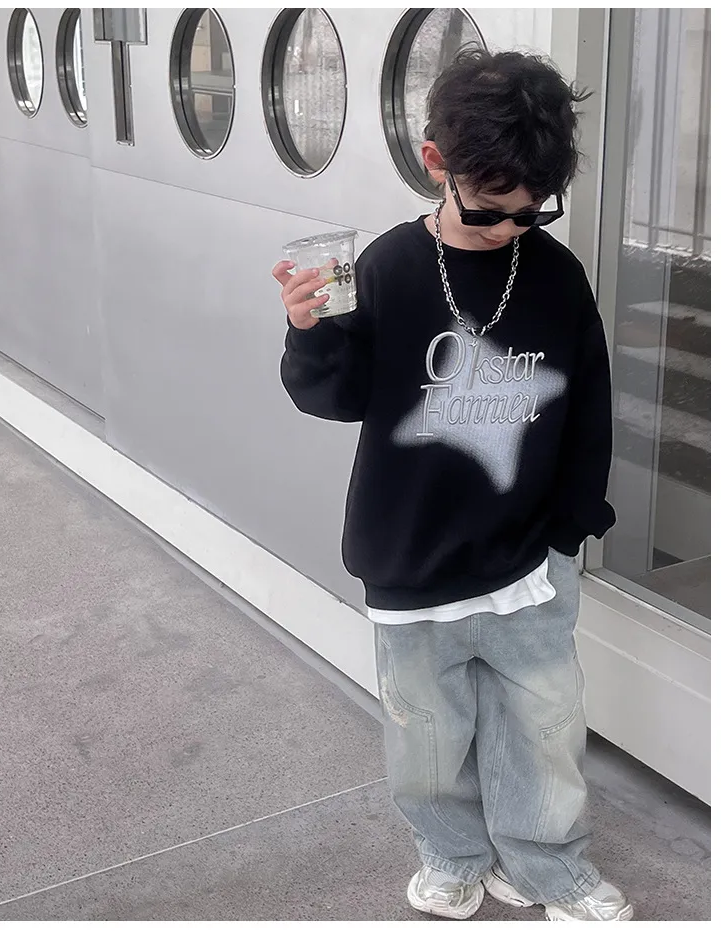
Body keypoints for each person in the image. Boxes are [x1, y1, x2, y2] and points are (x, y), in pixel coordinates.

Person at [272, 47, 632, 922]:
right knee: (427, 739)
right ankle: (451, 854)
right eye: (491, 209)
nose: (511, 229)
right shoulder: (388, 268)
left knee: (545, 729)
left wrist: (573, 525)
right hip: (410, 560)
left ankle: (546, 865)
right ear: (436, 163)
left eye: (532, 213)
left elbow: (588, 403)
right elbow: (337, 398)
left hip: (530, 561)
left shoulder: (555, 274)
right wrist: (310, 332)